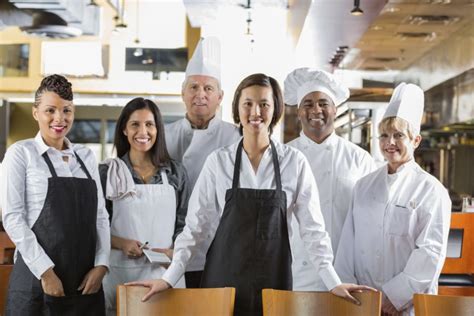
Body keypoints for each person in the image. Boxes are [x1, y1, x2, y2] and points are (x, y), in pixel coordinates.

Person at [127, 73, 375, 316]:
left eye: (264, 104)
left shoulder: (294, 162)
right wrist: (169, 278)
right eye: (248, 104)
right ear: (237, 108)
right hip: (223, 284)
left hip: (274, 285)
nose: (256, 112)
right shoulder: (219, 162)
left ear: (275, 109)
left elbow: (313, 231)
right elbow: (195, 229)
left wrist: (333, 282)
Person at [335, 83, 452, 316]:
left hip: (407, 306)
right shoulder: (364, 186)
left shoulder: (431, 191)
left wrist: (393, 297)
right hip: (363, 303)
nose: (390, 143)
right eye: (384, 135)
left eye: (398, 135)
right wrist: (350, 292)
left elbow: (430, 253)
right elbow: (348, 243)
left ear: (415, 141)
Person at [1, 75, 110, 315]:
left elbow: (100, 216)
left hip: (85, 283)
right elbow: (13, 218)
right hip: (36, 280)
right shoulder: (21, 153)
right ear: (35, 113)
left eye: (66, 110)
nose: (59, 118)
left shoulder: (86, 157)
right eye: (50, 110)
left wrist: (102, 264)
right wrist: (46, 272)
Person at [284, 68, 376, 291]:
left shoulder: (359, 159)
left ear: (335, 110)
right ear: (298, 112)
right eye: (307, 104)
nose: (316, 109)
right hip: (296, 273)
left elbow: (372, 221)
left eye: (324, 103)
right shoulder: (282, 157)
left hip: (345, 272)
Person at [98, 97, 190, 314]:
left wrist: (173, 251)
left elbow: (185, 224)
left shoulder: (176, 173)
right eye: (135, 124)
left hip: (165, 273)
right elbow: (96, 226)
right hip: (122, 275)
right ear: (124, 130)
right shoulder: (109, 173)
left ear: (158, 129)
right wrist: (122, 243)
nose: (143, 131)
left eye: (149, 124)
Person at [164, 36, 240, 287]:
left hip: (219, 244)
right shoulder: (163, 135)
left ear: (220, 96)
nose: (200, 95)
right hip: (169, 244)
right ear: (182, 93)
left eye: (208, 89)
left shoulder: (235, 136)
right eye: (193, 87)